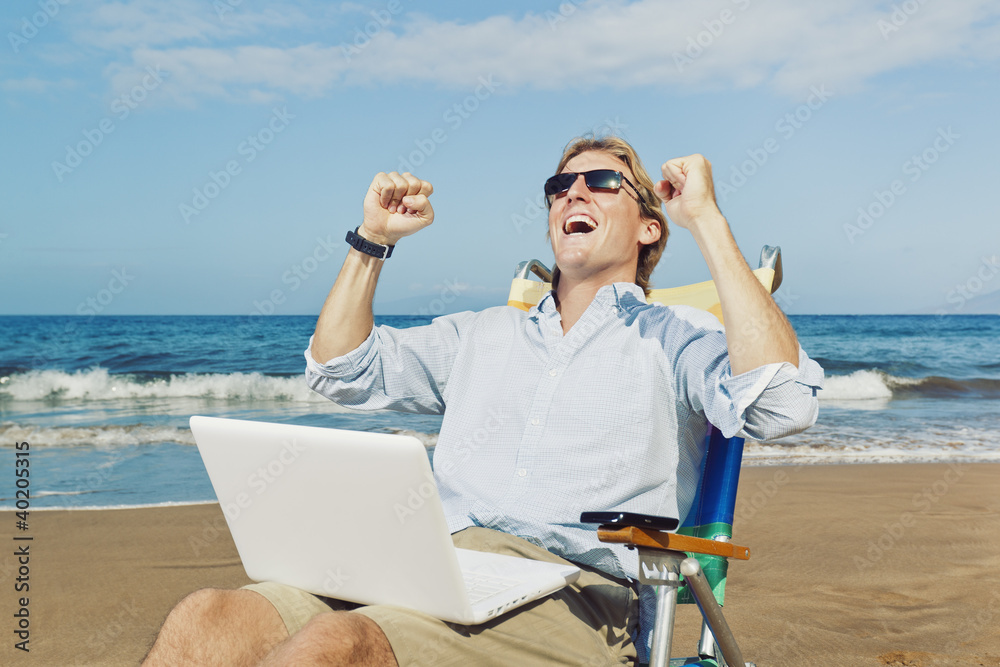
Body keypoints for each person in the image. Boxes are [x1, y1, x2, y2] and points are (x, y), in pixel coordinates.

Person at [143, 136, 823, 666]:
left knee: (340, 644)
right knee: (206, 617)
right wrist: (373, 240)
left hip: (573, 597)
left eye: (601, 181)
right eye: (559, 185)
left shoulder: (678, 336)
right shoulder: (483, 333)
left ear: (650, 225)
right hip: (431, 568)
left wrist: (705, 218)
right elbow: (340, 369)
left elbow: (783, 401)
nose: (571, 192)